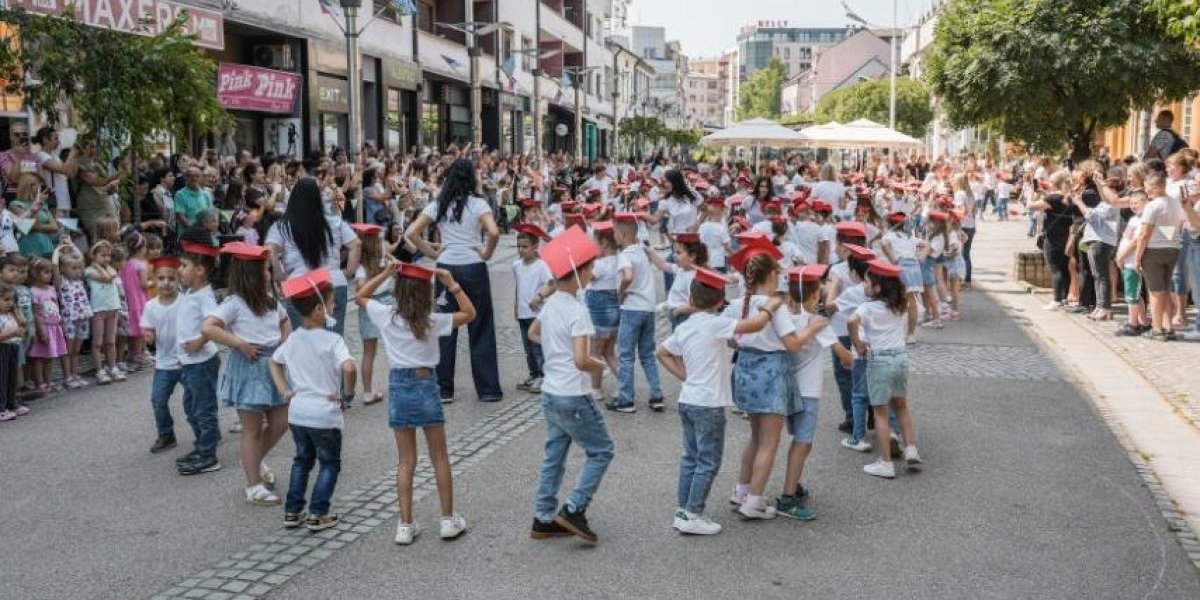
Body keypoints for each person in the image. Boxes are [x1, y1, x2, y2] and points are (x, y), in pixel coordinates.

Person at [357, 261, 473, 545]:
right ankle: (447, 520)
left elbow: (360, 296)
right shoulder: (431, 320)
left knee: (406, 460)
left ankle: (405, 525)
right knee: (439, 457)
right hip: (426, 384)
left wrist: (384, 273)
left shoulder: (386, 316)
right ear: (425, 292)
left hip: (398, 385)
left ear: (398, 290)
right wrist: (451, 282)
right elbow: (470, 313)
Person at [656, 267, 780, 535]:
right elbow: (756, 325)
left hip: (688, 399)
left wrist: (684, 376)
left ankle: (683, 510)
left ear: (691, 299)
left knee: (690, 458)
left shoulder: (688, 326)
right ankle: (693, 513)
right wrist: (771, 307)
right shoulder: (715, 324)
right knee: (708, 461)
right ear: (718, 301)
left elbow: (662, 352)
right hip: (709, 404)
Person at [527, 227, 613, 544]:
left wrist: (555, 349)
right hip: (573, 395)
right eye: (590, 268)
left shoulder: (553, 305)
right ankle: (574, 508)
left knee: (555, 456)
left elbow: (534, 333)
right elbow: (580, 360)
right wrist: (598, 364)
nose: (593, 273)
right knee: (602, 450)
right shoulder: (578, 310)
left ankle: (543, 517)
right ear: (580, 273)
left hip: (551, 391)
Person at [724, 237, 810, 520]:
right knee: (769, 442)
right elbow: (793, 344)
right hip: (772, 373)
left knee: (754, 437)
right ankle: (755, 501)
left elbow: (731, 342)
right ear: (772, 274)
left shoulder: (738, 304)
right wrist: (813, 328)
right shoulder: (775, 306)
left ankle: (742, 489)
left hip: (746, 370)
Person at [404, 159, 502, 403]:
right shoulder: (478, 203)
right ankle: (488, 388)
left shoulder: (439, 203)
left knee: (445, 325)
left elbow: (412, 233)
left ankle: (443, 388)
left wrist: (433, 254)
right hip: (473, 265)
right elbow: (493, 231)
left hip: (446, 266)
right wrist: (487, 253)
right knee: (480, 325)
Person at [202, 243, 291, 504]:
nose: (268, 274)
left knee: (281, 421)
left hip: (274, 365)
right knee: (252, 428)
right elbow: (208, 327)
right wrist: (239, 344)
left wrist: (286, 343)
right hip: (250, 366)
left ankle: (255, 460)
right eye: (264, 269)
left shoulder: (271, 301)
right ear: (250, 273)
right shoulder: (235, 303)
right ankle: (253, 485)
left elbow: (285, 321)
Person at [272, 268, 357, 532]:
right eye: (332, 303)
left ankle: (292, 511)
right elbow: (350, 368)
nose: (334, 307)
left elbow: (274, 362)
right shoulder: (333, 340)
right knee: (329, 463)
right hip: (325, 413)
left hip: (298, 412)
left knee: (302, 460)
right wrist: (347, 395)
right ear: (320, 308)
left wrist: (285, 390)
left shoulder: (293, 339)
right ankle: (318, 512)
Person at [778, 264, 851, 519]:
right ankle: (787, 498)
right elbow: (843, 355)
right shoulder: (817, 322)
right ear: (813, 295)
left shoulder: (786, 319)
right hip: (808, 391)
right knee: (803, 443)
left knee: (796, 440)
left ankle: (793, 482)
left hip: (788, 390)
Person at [848, 260, 923, 479]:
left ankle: (886, 463)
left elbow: (852, 321)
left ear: (878, 287)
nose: (865, 284)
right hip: (900, 358)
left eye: (868, 281)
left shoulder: (867, 307)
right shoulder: (899, 305)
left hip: (879, 361)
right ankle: (911, 449)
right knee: (901, 407)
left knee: (880, 413)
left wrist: (857, 343)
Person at [267, 177, 361, 335]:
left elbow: (270, 250)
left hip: (298, 284)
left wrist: (280, 277)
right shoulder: (334, 221)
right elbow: (356, 244)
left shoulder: (282, 226)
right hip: (333, 281)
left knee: (303, 343)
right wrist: (348, 271)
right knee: (333, 341)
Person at [175, 240, 223, 476]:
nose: (179, 270)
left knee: (203, 408)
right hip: (190, 363)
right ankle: (204, 442)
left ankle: (208, 454)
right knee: (191, 406)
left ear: (200, 270)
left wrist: (200, 341)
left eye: (184, 265)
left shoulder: (205, 296)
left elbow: (212, 323)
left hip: (202, 362)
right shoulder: (190, 292)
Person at [610, 211, 664, 413]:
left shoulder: (624, 255)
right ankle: (656, 395)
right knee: (647, 354)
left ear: (622, 235)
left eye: (615, 232)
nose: (614, 235)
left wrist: (620, 293)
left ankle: (626, 399)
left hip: (631, 308)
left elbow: (627, 276)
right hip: (648, 308)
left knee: (625, 355)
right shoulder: (642, 250)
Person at [140, 255, 184, 453]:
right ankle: (166, 434)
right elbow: (148, 329)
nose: (166, 283)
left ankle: (207, 432)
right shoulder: (150, 306)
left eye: (171, 278)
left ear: (178, 279)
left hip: (187, 361)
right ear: (154, 280)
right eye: (161, 278)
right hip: (164, 362)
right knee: (158, 400)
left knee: (196, 401)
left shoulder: (186, 302)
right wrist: (148, 336)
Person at [1134, 172, 1183, 341]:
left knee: (1155, 292)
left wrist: (1137, 257)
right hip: (1173, 249)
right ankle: (1168, 327)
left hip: (1154, 250)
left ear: (1156, 187)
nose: (1145, 190)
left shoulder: (1153, 206)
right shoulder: (1175, 204)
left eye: (1147, 187)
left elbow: (1144, 234)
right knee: (1166, 289)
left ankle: (1157, 329)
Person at [512, 224, 554, 394]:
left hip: (537, 313)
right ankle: (533, 373)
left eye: (525, 246)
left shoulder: (542, 266)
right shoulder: (516, 265)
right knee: (527, 348)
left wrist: (539, 296)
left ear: (535, 247)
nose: (521, 250)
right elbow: (517, 286)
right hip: (523, 313)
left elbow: (551, 284)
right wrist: (515, 305)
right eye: (519, 246)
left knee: (537, 346)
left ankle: (543, 375)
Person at [350, 223, 389, 405]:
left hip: (370, 309)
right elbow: (360, 287)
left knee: (368, 352)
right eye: (381, 241)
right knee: (391, 347)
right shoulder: (381, 265)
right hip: (384, 307)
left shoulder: (363, 267)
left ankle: (367, 391)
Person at [584, 221, 621, 402]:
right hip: (615, 309)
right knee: (609, 352)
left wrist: (585, 261)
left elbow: (586, 277)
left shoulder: (600, 264)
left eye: (594, 242)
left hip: (600, 312)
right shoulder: (619, 260)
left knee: (595, 352)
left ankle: (595, 388)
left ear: (604, 244)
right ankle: (625, 383)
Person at [85, 241, 125, 384]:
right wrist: (95, 265)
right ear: (93, 255)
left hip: (112, 308)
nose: (107, 259)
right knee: (97, 342)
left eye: (109, 255)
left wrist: (103, 265)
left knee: (110, 341)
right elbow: (107, 278)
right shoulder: (89, 271)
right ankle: (99, 370)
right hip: (98, 310)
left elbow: (111, 275)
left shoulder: (111, 269)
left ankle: (112, 367)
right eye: (103, 255)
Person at [25, 258, 66, 393]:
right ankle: (40, 382)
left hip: (54, 327)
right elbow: (35, 314)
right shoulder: (34, 291)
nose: (50, 275)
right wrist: (41, 332)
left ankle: (49, 381)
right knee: (40, 357)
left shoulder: (52, 289)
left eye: (50, 272)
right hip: (43, 327)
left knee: (50, 357)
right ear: (36, 274)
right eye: (46, 272)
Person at [54, 245, 92, 389]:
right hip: (69, 318)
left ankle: (75, 374)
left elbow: (80, 258)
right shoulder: (61, 281)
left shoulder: (79, 280)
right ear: (63, 269)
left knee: (76, 350)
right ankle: (67, 377)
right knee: (68, 350)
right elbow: (55, 267)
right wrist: (57, 252)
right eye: (73, 268)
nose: (77, 271)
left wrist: (71, 245)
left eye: (78, 268)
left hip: (83, 316)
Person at [0, 283, 25, 421]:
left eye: (11, 300)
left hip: (12, 346)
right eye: (5, 300)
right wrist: (13, 333)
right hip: (2, 348)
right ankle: (1, 408)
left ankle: (11, 404)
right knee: (2, 379)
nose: (10, 303)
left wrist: (19, 331)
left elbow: (21, 325)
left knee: (11, 377)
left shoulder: (10, 314)